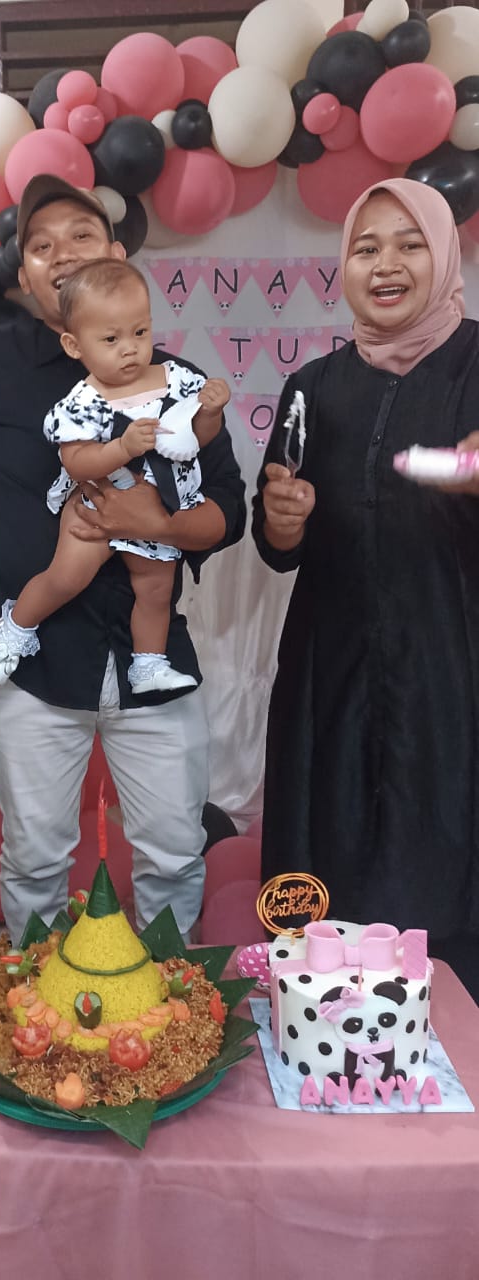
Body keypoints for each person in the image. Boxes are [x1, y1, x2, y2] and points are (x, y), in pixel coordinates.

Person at [0, 173, 245, 944]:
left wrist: (154, 523)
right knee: (35, 857)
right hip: (35, 669)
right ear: (24, 272)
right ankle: (37, 995)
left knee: (173, 851)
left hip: (152, 656)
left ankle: (166, 996)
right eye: (40, 245)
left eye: (81, 235)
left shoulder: (174, 381)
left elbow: (229, 514)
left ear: (117, 253)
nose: (61, 253)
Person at [253, 176, 479, 999]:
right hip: (332, 666)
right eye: (366, 247)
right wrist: (281, 521)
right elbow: (275, 545)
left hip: (453, 664)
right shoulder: (313, 388)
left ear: (444, 255)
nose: (386, 265)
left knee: (449, 839)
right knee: (331, 844)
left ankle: (458, 1032)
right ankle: (328, 1016)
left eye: (410, 244)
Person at [0, 257, 231, 696]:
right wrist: (122, 448)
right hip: (95, 507)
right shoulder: (86, 399)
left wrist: (210, 411)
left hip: (160, 507)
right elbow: (76, 461)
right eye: (111, 339)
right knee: (66, 577)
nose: (129, 349)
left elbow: (198, 438)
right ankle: (17, 626)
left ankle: (147, 664)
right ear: (75, 346)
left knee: (155, 589)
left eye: (140, 332)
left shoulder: (176, 380)